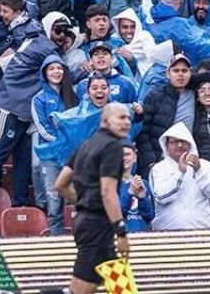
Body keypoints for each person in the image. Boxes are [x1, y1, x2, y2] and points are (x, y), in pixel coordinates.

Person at [55, 103, 132, 294]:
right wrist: (121, 232)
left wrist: (82, 202)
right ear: (105, 121)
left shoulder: (85, 145)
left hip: (87, 223)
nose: (127, 122)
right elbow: (107, 191)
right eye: (121, 118)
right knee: (80, 292)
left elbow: (60, 184)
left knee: (121, 290)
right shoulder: (113, 147)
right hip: (98, 228)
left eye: (128, 118)